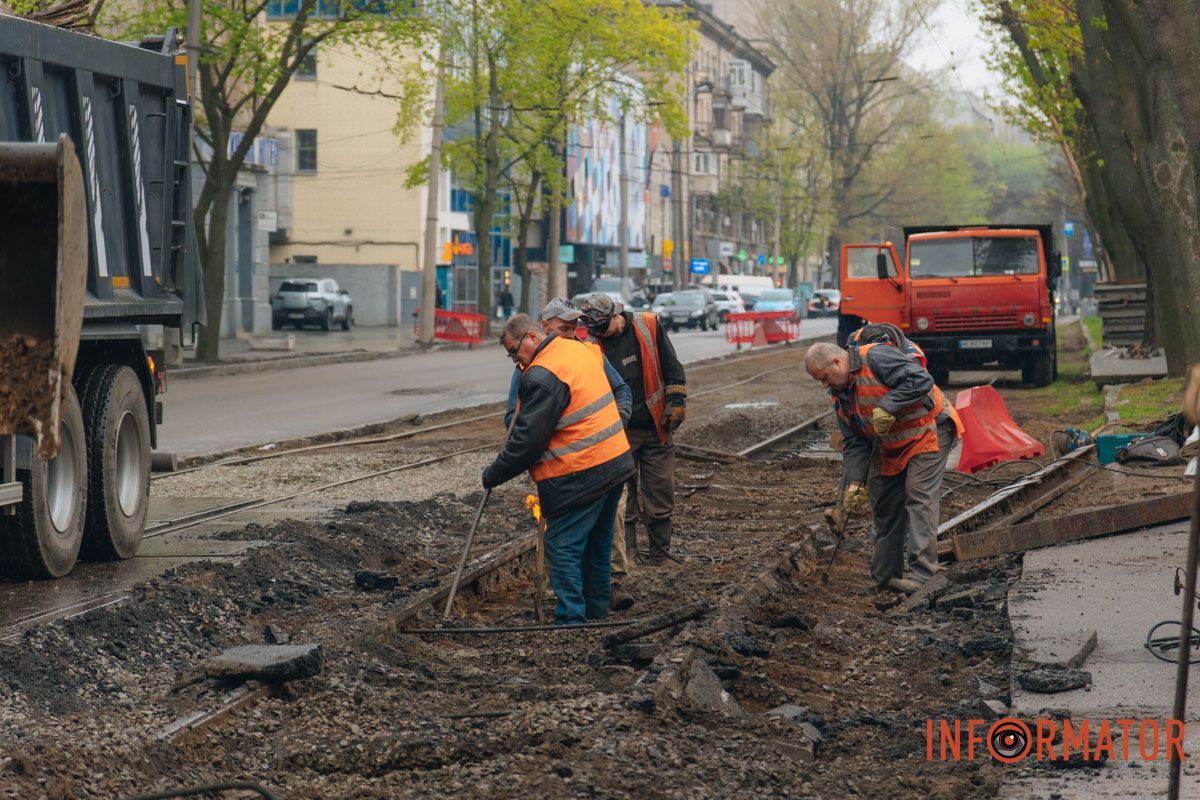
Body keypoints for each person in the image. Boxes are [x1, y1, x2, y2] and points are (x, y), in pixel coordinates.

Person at [483, 314, 634, 624]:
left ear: (532, 337)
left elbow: (528, 442)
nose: (514, 360)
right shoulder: (578, 350)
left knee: (562, 546)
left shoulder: (543, 374)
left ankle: (571, 622)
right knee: (597, 545)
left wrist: (494, 474)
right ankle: (596, 613)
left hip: (581, 472)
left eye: (514, 351)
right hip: (616, 462)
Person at [804, 340, 962, 594]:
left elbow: (921, 380)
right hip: (892, 444)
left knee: (918, 496)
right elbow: (855, 443)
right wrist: (855, 482)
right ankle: (884, 580)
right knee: (885, 505)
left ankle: (923, 576)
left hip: (929, 430)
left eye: (824, 377)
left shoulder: (876, 357)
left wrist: (889, 405)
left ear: (837, 362)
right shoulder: (840, 397)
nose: (824, 385)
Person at [578, 293, 687, 566]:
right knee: (621, 496)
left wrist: (675, 403)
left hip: (655, 427)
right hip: (618, 433)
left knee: (660, 489)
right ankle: (628, 557)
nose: (599, 334)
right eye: (594, 330)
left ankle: (659, 555)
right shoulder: (592, 345)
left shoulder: (647, 326)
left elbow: (672, 368)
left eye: (602, 327)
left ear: (615, 315)